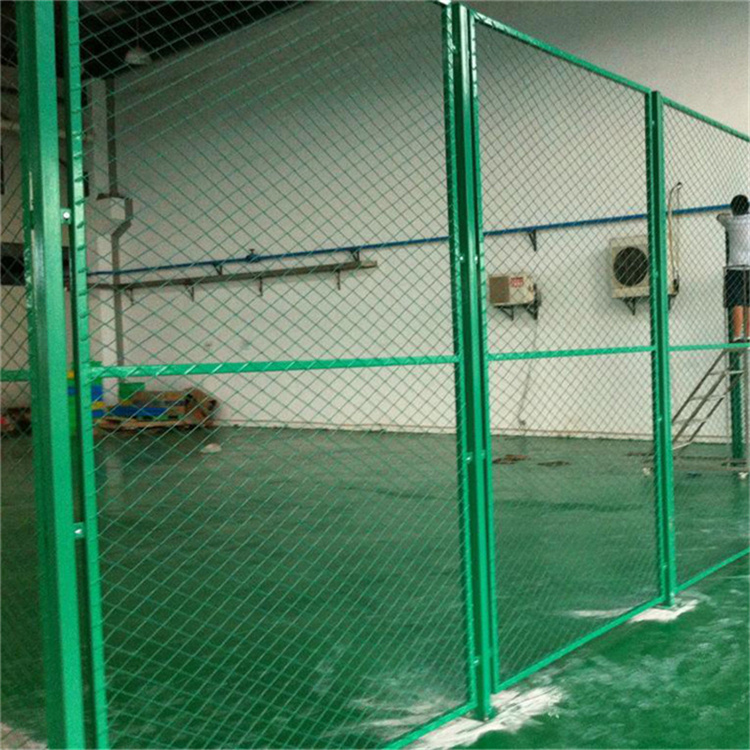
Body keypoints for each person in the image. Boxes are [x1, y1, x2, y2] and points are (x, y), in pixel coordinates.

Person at [718, 194, 750, 342]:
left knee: (737, 301)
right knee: (749, 302)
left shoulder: (731, 222)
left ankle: (737, 336)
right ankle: (748, 335)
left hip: (735, 268)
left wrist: (727, 214)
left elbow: (719, 217)